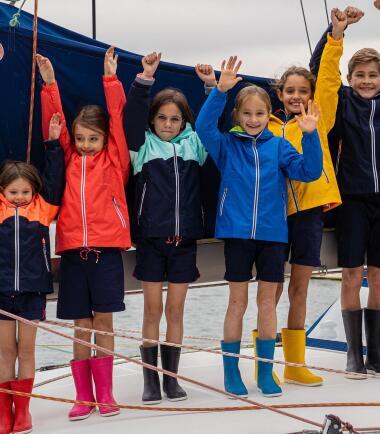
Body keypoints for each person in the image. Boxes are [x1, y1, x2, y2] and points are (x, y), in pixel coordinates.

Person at [195, 56, 322, 397]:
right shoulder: (225, 145)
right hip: (237, 235)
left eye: (260, 114)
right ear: (237, 116)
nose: (253, 120)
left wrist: (310, 137)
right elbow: (203, 127)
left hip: (273, 236)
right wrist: (220, 91)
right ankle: (231, 373)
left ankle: (266, 373)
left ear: (270, 116)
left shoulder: (280, 146)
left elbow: (309, 173)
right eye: (247, 114)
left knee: (268, 304)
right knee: (236, 303)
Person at [37, 47, 130, 419]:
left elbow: (118, 117)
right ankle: (82, 396)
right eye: (81, 139)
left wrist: (110, 78)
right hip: (74, 254)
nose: (86, 145)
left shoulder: (114, 158)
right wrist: (49, 85)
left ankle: (105, 393)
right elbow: (55, 121)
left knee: (103, 324)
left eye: (93, 139)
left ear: (105, 140)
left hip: (106, 254)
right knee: (80, 327)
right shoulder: (69, 158)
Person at [125, 52, 213, 404]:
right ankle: (150, 382)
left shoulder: (195, 145)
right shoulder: (143, 147)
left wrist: (211, 87)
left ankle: (172, 379)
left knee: (176, 311)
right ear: (154, 120)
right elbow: (131, 117)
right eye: (162, 118)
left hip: (184, 242)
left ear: (183, 121)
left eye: (175, 119)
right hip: (151, 240)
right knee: (152, 310)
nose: (168, 124)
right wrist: (143, 80)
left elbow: (213, 124)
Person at [269, 8, 345, 387]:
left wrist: (335, 37)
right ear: (279, 95)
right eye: (291, 91)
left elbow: (330, 79)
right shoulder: (263, 126)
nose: (298, 96)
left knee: (299, 287)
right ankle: (264, 361)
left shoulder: (320, 117)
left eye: (303, 90)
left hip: (310, 214)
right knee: (271, 289)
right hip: (271, 216)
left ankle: (294, 365)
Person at [310, 4, 380, 377]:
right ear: (350, 78)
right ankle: (355, 354)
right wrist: (336, 33)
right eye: (360, 75)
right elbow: (321, 74)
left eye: (373, 75)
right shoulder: (341, 104)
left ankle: (377, 354)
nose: (367, 81)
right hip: (351, 199)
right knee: (353, 274)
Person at [0, 115, 65, 434]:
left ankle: (22, 411)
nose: (20, 196)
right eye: (13, 191)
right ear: (3, 190)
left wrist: (53, 143)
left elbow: (54, 180)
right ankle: (3, 413)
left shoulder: (42, 209)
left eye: (26, 191)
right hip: (0, 295)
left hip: (32, 294)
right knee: (4, 353)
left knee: (26, 351)